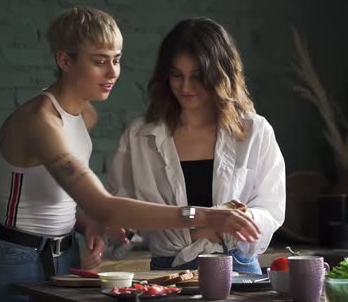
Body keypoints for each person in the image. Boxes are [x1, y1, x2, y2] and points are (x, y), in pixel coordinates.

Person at [0, 8, 261, 302]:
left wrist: (89, 225)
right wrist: (204, 216)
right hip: (16, 257)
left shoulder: (86, 116)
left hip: (66, 256)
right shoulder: (40, 121)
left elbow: (60, 198)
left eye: (116, 60)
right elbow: (103, 205)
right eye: (99, 61)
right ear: (64, 60)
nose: (112, 73)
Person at [106, 17, 285, 274]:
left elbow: (272, 208)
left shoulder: (255, 130)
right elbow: (119, 207)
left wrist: (239, 221)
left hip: (240, 268)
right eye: (177, 76)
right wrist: (119, 230)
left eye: (198, 77)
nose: (186, 87)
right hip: (168, 271)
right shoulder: (140, 135)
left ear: (220, 75)